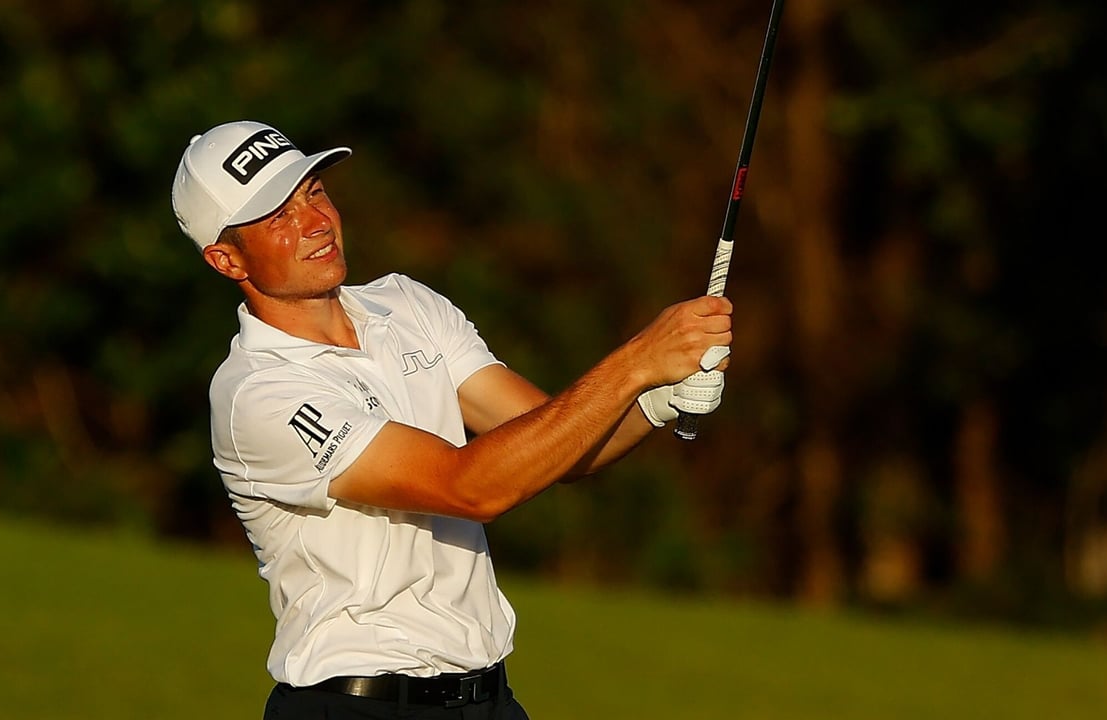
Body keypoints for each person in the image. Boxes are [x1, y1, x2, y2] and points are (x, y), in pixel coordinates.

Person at [171, 120, 732, 719]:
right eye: (278, 216)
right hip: (357, 705)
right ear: (226, 259)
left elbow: (551, 437)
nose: (315, 222)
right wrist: (635, 363)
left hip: (488, 699)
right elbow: (470, 486)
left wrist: (655, 398)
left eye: (313, 192)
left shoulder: (408, 304)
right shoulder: (258, 392)